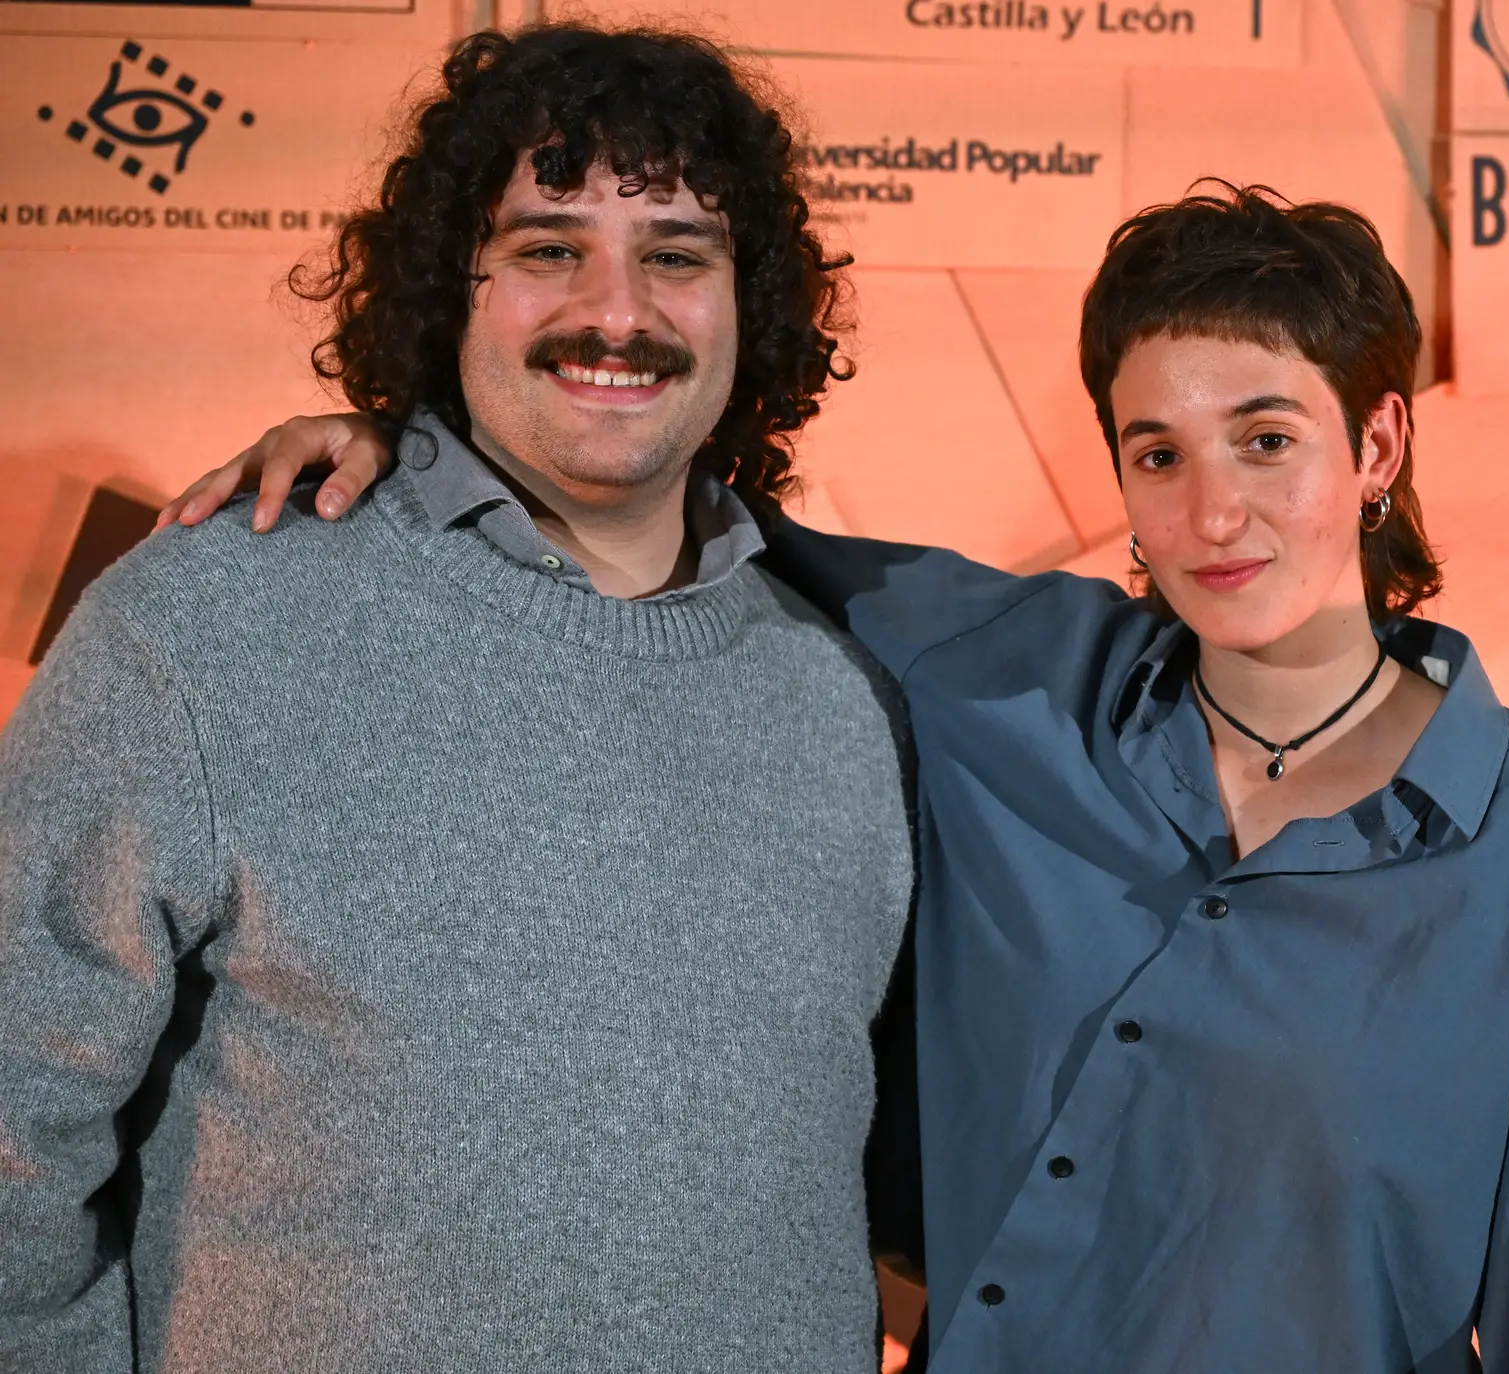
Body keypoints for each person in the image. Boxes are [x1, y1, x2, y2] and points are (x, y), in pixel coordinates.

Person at [162, 187, 1509, 1371]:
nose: (1213, 511)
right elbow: (656, 497)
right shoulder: (1007, 677)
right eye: (1156, 453)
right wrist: (412, 452)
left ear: (1379, 445)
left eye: (1266, 438)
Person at [0, 26, 918, 1373]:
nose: (618, 312)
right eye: (548, 248)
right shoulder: (206, 621)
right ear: (451, 288)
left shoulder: (848, 699)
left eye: (678, 255)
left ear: (751, 304)